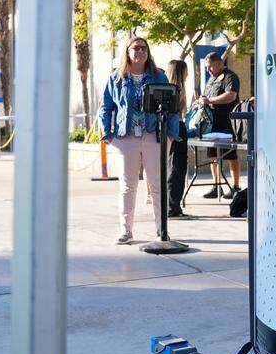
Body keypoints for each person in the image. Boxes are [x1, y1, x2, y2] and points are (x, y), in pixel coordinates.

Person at [98, 37, 180, 245]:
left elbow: (172, 106)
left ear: (148, 52)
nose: (140, 52)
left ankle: (162, 230)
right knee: (128, 185)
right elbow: (106, 107)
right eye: (135, 48)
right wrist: (107, 133)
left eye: (143, 48)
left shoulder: (158, 76)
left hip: (154, 135)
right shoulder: (116, 77)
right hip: (125, 137)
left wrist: (171, 134)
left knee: (157, 184)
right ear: (127, 51)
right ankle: (126, 231)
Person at [194, 51, 241, 199]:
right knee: (213, 155)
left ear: (220, 63)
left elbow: (231, 95)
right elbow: (207, 96)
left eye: (210, 67)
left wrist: (210, 101)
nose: (208, 70)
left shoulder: (230, 77)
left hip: (227, 122)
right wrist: (201, 100)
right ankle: (216, 186)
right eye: (207, 67)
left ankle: (235, 187)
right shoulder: (211, 79)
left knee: (231, 155)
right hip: (212, 123)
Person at [166, 59, 189, 218]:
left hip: (172, 129)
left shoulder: (168, 88)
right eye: (186, 70)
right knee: (177, 168)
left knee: (172, 167)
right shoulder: (177, 89)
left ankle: (172, 206)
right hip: (177, 129)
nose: (188, 74)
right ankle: (173, 207)